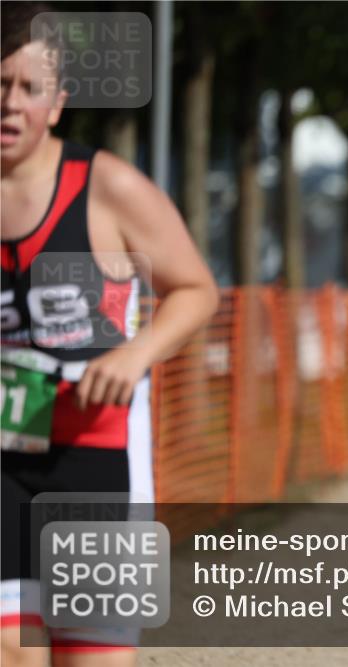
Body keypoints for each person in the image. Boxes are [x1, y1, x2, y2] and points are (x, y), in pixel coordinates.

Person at [1, 5, 219, 666]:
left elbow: (197, 289)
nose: (9, 105)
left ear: (58, 102)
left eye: (27, 89)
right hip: (5, 452)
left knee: (88, 656)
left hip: (95, 459)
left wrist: (134, 353)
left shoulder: (107, 187)